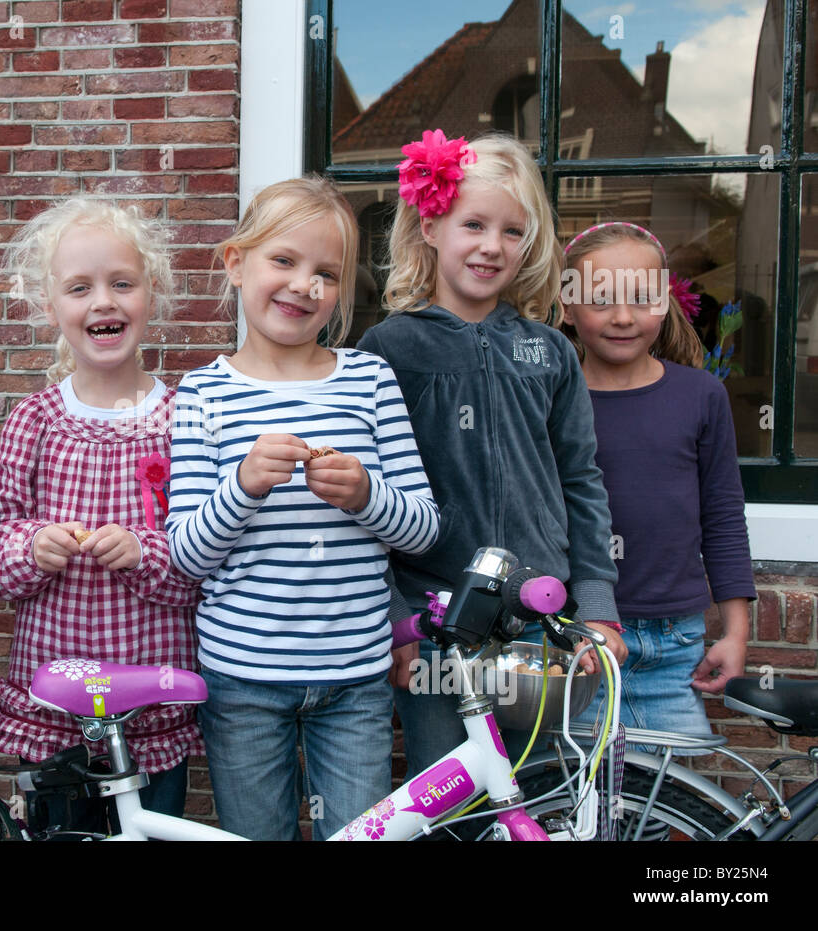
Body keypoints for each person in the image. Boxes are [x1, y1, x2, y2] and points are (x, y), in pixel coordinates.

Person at [166, 176, 440, 840]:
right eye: (283, 261)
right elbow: (185, 555)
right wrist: (243, 486)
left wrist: (368, 496)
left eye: (326, 273)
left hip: (355, 678)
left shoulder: (369, 380)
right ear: (237, 263)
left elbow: (426, 527)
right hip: (242, 678)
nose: (303, 285)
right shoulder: (203, 393)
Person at [356, 131, 628, 776]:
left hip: (543, 619)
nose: (491, 246)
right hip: (436, 627)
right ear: (430, 224)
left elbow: (581, 480)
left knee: (544, 789)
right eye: (473, 224)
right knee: (452, 792)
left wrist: (595, 604)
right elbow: (368, 500)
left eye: (512, 231)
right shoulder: (389, 349)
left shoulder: (551, 351)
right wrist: (396, 622)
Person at [0, 197, 203, 834]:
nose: (102, 301)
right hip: (56, 698)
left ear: (151, 295)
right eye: (80, 288)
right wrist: (33, 547)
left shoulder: (185, 420)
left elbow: (207, 553)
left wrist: (146, 553)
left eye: (122, 283)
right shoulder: (36, 420)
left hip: (151, 697)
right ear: (49, 307)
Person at [559, 221, 756, 744]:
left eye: (642, 298)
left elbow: (722, 517)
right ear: (566, 307)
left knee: (661, 806)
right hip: (578, 641)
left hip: (677, 644)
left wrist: (735, 633)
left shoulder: (700, 396)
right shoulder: (550, 399)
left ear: (666, 302)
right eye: (601, 300)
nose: (623, 317)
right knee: (578, 811)